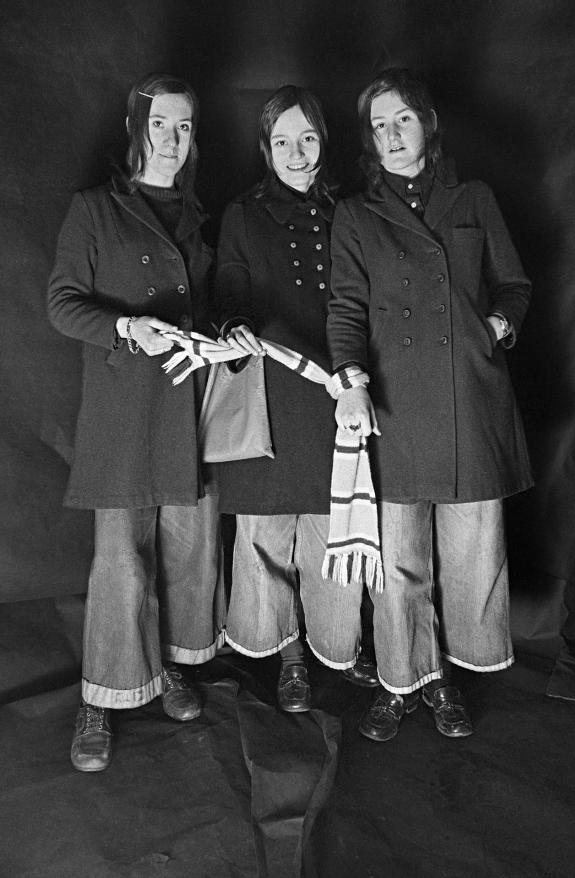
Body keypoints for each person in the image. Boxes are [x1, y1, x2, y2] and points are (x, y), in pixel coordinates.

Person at [328, 68, 533, 742]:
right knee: (398, 556)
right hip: (393, 403)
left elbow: (514, 285)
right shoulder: (357, 215)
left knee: (472, 547)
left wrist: (496, 329)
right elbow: (346, 309)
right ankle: (404, 679)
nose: (391, 135)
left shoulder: (474, 198)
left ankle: (453, 673)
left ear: (427, 126)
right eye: (379, 126)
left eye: (402, 121)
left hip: (468, 399)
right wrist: (351, 378)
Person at [47, 73, 225, 772]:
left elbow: (206, 307)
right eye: (162, 125)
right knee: (121, 560)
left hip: (188, 407)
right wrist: (127, 327)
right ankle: (102, 695)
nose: (173, 139)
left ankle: (167, 669)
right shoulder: (95, 209)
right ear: (136, 129)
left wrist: (220, 334)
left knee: (188, 553)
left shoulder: (198, 217)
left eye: (184, 127)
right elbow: (62, 304)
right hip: (125, 410)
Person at [213, 85, 376, 713]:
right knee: (265, 534)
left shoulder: (352, 212)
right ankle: (287, 656)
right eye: (282, 141)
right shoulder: (243, 215)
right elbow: (229, 289)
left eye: (307, 138)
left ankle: (336, 644)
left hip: (339, 393)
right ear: (265, 148)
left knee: (332, 528)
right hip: (272, 395)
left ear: (324, 141)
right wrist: (233, 326)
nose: (296, 152)